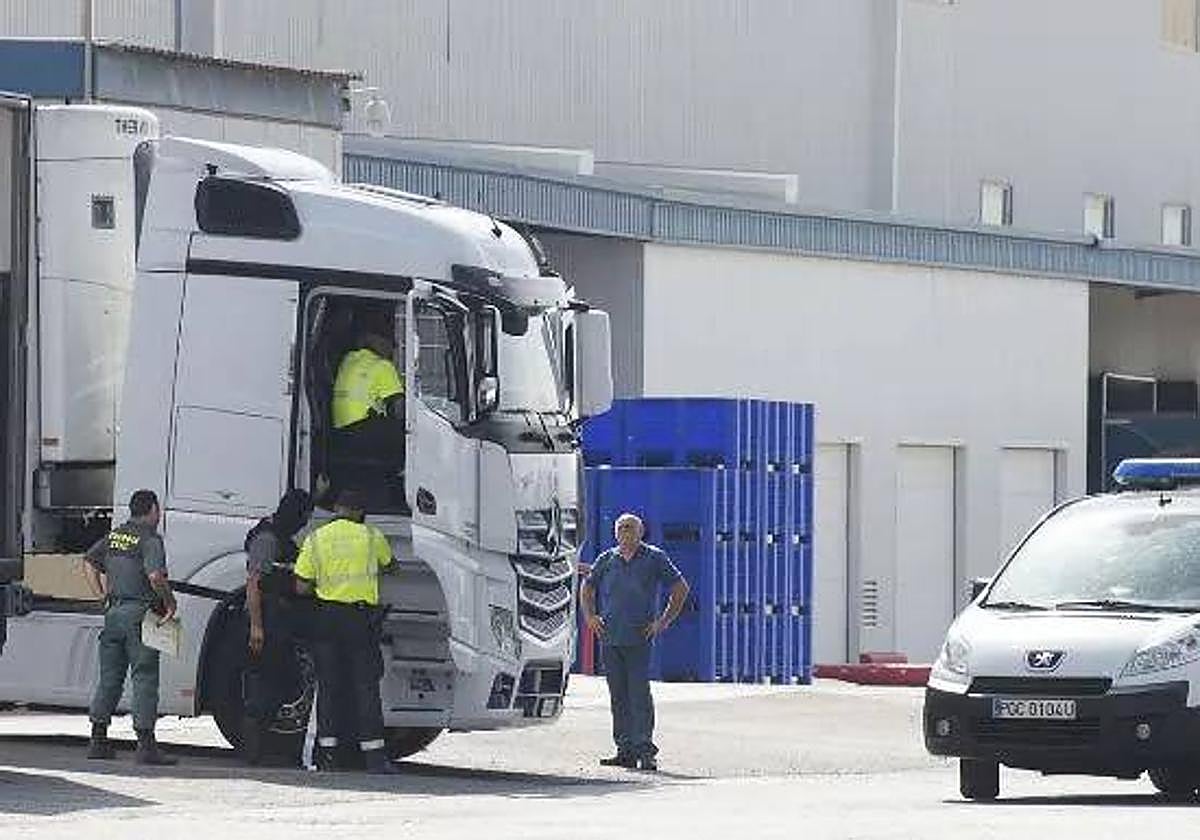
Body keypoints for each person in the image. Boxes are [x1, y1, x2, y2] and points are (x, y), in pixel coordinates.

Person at [294, 488, 398, 775]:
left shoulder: (315, 539)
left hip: (326, 619)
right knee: (365, 688)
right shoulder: (371, 536)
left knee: (328, 688)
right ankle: (374, 758)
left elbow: (301, 586)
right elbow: (391, 567)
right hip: (360, 621)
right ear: (359, 511)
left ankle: (327, 755)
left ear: (336, 509)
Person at [580, 513, 690, 771]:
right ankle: (624, 749)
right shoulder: (607, 559)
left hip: (639, 637)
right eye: (621, 528)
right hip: (610, 637)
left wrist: (663, 621)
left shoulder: (654, 558)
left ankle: (645, 749)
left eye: (630, 528)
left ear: (641, 532)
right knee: (618, 695)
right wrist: (590, 616)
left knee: (639, 693)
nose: (625, 532)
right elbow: (588, 587)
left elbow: (680, 588)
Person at [82, 489, 179, 766]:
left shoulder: (114, 537)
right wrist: (169, 602)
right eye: (157, 510)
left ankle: (98, 740)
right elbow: (155, 575)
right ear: (151, 510)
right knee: (144, 676)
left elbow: (89, 561)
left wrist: (100, 595)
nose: (158, 515)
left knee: (110, 677)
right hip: (139, 615)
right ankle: (146, 745)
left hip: (113, 614)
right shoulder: (150, 540)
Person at [240, 487, 314, 765]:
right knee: (268, 682)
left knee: (283, 680)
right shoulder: (268, 540)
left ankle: (258, 742)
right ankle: (252, 745)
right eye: (303, 516)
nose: (304, 523)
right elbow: (254, 583)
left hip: (278, 618)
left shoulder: (278, 535)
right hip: (267, 620)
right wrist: (257, 627)